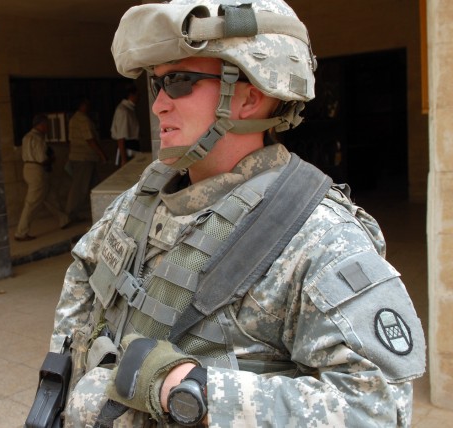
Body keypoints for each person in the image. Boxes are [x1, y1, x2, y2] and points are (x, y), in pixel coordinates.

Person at [49, 1, 425, 427]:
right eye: (157, 86)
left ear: (250, 96)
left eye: (179, 82)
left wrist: (189, 389)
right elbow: (85, 280)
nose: (158, 107)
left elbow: (376, 409)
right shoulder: (147, 195)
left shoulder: (318, 235)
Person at [15, 114, 69, 241]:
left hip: (27, 168)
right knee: (32, 202)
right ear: (42, 125)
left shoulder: (26, 137)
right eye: (46, 125)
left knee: (49, 196)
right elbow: (42, 158)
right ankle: (21, 232)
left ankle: (64, 219)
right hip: (37, 170)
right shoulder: (38, 138)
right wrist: (52, 159)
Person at [65, 98, 107, 222]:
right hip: (84, 158)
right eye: (87, 104)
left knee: (96, 186)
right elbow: (89, 139)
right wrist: (102, 154)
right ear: (82, 105)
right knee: (79, 188)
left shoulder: (73, 119)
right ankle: (69, 215)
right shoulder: (82, 119)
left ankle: (101, 212)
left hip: (81, 158)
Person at [110, 83, 140, 167]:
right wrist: (124, 159)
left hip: (132, 146)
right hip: (126, 148)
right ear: (131, 95)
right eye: (137, 95)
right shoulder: (123, 110)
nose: (139, 97)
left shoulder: (129, 109)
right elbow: (121, 137)